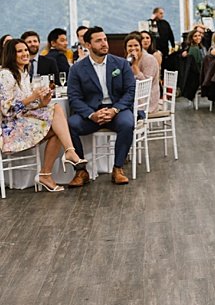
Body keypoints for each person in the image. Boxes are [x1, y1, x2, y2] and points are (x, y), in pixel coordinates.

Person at [1, 38, 87, 192]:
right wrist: (33, 97)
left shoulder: (24, 73)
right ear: (11, 55)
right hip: (10, 130)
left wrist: (43, 101)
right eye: (20, 51)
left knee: (57, 118)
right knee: (58, 117)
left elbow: (29, 105)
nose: (25, 53)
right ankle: (68, 154)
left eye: (26, 50)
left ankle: (49, 171)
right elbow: (7, 110)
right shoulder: (5, 75)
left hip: (22, 122)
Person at [65, 27, 136, 186]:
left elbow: (130, 91)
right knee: (71, 125)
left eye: (105, 39)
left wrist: (114, 109)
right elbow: (74, 97)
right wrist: (92, 115)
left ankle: (118, 168)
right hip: (92, 112)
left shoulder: (121, 64)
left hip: (117, 110)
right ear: (88, 45)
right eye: (99, 40)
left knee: (127, 123)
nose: (104, 43)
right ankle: (81, 171)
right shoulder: (77, 69)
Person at [126, 33, 160, 114]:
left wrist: (135, 66)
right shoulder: (130, 58)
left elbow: (146, 85)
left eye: (136, 45)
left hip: (147, 100)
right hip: (135, 94)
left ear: (140, 46)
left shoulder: (149, 59)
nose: (133, 48)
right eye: (130, 46)